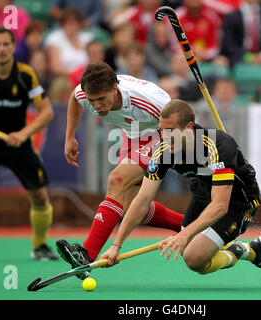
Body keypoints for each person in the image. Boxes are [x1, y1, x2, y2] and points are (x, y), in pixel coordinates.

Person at [100, 99, 261, 280]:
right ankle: (250, 250)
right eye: (162, 130)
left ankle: (242, 250)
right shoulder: (162, 151)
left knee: (194, 258)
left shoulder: (218, 146)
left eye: (171, 131)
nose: (165, 136)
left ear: (189, 127)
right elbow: (142, 200)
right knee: (193, 256)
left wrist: (183, 234)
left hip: (238, 199)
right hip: (203, 194)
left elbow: (220, 206)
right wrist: (116, 245)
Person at [56, 61, 183, 279]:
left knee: (116, 180)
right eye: (92, 100)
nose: (96, 106)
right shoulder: (87, 94)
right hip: (132, 132)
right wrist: (70, 136)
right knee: (129, 204)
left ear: (114, 90)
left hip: (163, 132)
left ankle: (86, 253)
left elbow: (177, 122)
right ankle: (187, 225)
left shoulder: (148, 102)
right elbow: (75, 99)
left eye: (101, 100)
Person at [0, 26, 58, 260]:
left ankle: (40, 246)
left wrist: (23, 134)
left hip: (18, 143)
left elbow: (47, 112)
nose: (1, 49)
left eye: (5, 44)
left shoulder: (25, 74)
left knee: (40, 197)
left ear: (13, 46)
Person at [45, 7, 94, 77]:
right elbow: (55, 67)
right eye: (68, 22)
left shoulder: (88, 38)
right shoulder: (55, 38)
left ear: (80, 24)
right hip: (64, 78)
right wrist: (76, 74)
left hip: (87, 78)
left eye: (75, 22)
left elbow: (95, 61)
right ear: (63, 24)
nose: (72, 25)